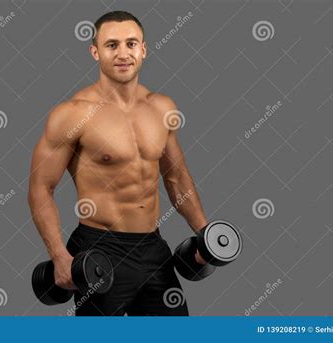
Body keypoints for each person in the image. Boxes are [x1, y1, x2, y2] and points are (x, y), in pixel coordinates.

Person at [28, 10, 209, 316]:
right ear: (95, 51)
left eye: (131, 43)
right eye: (112, 45)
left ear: (144, 49)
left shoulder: (162, 108)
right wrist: (59, 256)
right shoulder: (73, 114)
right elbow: (40, 188)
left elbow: (176, 177)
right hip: (100, 250)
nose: (123, 53)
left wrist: (206, 235)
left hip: (153, 248)